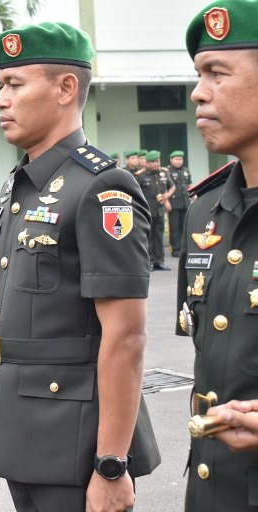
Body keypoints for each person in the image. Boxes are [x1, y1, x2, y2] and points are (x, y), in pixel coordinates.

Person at [0, 22, 160, 511]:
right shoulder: (22, 185)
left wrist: (111, 463)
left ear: (66, 88)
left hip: (77, 440)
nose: (1, 99)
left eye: (15, 84)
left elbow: (125, 336)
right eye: (0, 86)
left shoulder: (102, 187)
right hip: (22, 430)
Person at [176, 2, 258, 509]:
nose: (198, 92)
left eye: (216, 74)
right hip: (213, 486)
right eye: (198, 74)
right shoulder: (205, 209)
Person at [139, 150, 175, 271]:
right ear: (147, 163)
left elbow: (172, 186)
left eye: (157, 161)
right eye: (153, 161)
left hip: (160, 210)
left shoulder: (164, 173)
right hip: (147, 211)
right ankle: (149, 262)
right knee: (148, 238)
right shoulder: (141, 176)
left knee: (159, 237)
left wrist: (167, 196)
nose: (156, 163)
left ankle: (160, 262)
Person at [166, 150, 192, 257]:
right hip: (173, 203)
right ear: (171, 160)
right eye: (176, 159)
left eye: (180, 159)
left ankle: (183, 248)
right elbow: (164, 188)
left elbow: (190, 185)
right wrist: (166, 201)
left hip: (185, 202)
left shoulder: (185, 170)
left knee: (184, 226)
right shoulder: (167, 171)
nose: (179, 161)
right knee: (174, 227)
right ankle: (175, 249)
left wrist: (193, 197)